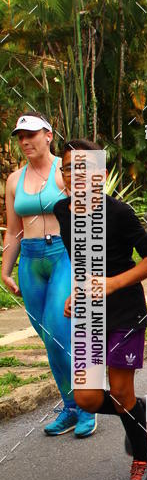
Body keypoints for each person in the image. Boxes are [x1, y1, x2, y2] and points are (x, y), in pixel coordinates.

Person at [53, 139, 147, 480]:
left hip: (124, 310)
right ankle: (135, 408)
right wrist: (76, 291)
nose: (76, 176)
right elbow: (80, 261)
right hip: (89, 312)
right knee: (86, 399)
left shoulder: (118, 213)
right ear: (64, 175)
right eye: (70, 168)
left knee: (118, 391)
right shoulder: (62, 211)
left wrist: (113, 283)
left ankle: (146, 462)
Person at [2, 114, 96, 437]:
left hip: (62, 256)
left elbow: (90, 218)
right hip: (29, 261)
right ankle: (70, 406)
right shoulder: (14, 180)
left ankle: (88, 404)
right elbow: (13, 231)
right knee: (47, 338)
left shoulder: (66, 171)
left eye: (31, 135)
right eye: (20, 137)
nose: (25, 141)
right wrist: (5, 270)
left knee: (59, 330)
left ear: (48, 135)